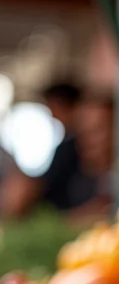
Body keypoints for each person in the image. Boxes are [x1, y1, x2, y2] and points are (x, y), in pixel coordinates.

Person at [0, 83, 105, 217]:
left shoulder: (72, 150)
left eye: (98, 131)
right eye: (87, 133)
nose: (93, 141)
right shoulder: (70, 148)